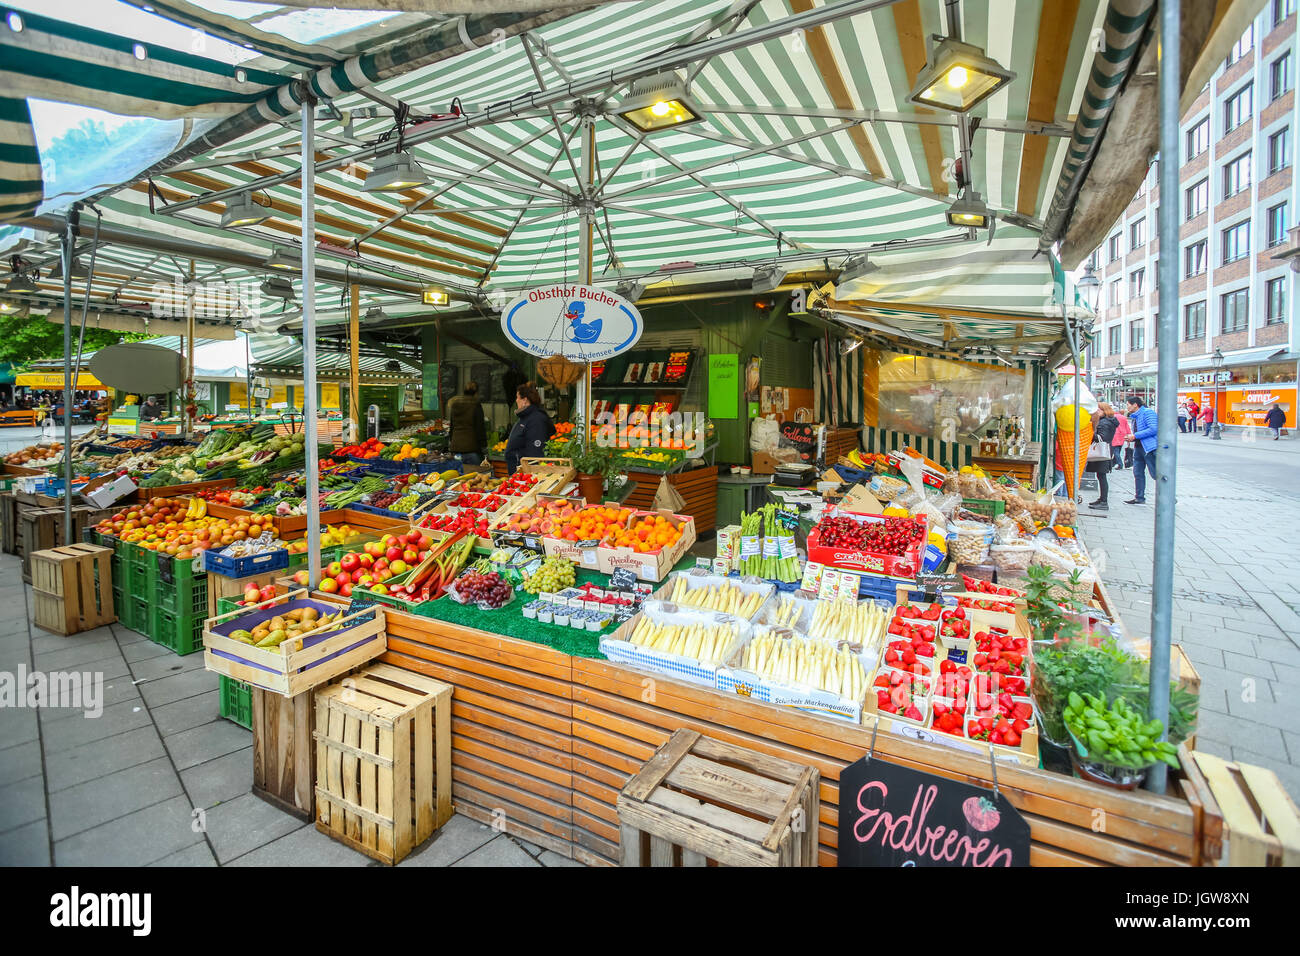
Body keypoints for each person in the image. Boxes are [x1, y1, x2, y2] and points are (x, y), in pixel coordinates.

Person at [504, 381, 556, 474]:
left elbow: (535, 454)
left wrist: (529, 477)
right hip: (519, 475)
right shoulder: (526, 417)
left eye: (517, 397)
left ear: (525, 400)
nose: (516, 400)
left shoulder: (536, 420)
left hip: (526, 476)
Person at [1124, 396, 1158, 504]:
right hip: (1139, 447)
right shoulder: (1135, 416)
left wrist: (1135, 436)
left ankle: (1168, 496)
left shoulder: (1147, 413)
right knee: (1137, 472)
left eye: (1128, 404)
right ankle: (1139, 497)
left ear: (1135, 405)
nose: (1127, 407)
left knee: (1156, 473)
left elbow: (1153, 429)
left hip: (1150, 448)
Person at [1087, 402, 1119, 510]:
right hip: (1105, 451)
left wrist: (1090, 433)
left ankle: (1104, 501)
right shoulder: (1109, 421)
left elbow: (1102, 437)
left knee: (1102, 476)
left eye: (1097, 410)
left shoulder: (1105, 423)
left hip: (1102, 452)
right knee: (1101, 476)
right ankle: (1102, 499)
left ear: (1103, 410)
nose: (1095, 412)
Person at [446, 381, 487, 465]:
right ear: (476, 393)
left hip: (455, 448)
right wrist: (483, 445)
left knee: (458, 475)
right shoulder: (476, 404)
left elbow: (452, 426)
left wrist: (451, 441)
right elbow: (479, 427)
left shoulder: (455, 404)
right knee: (475, 475)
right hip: (471, 448)